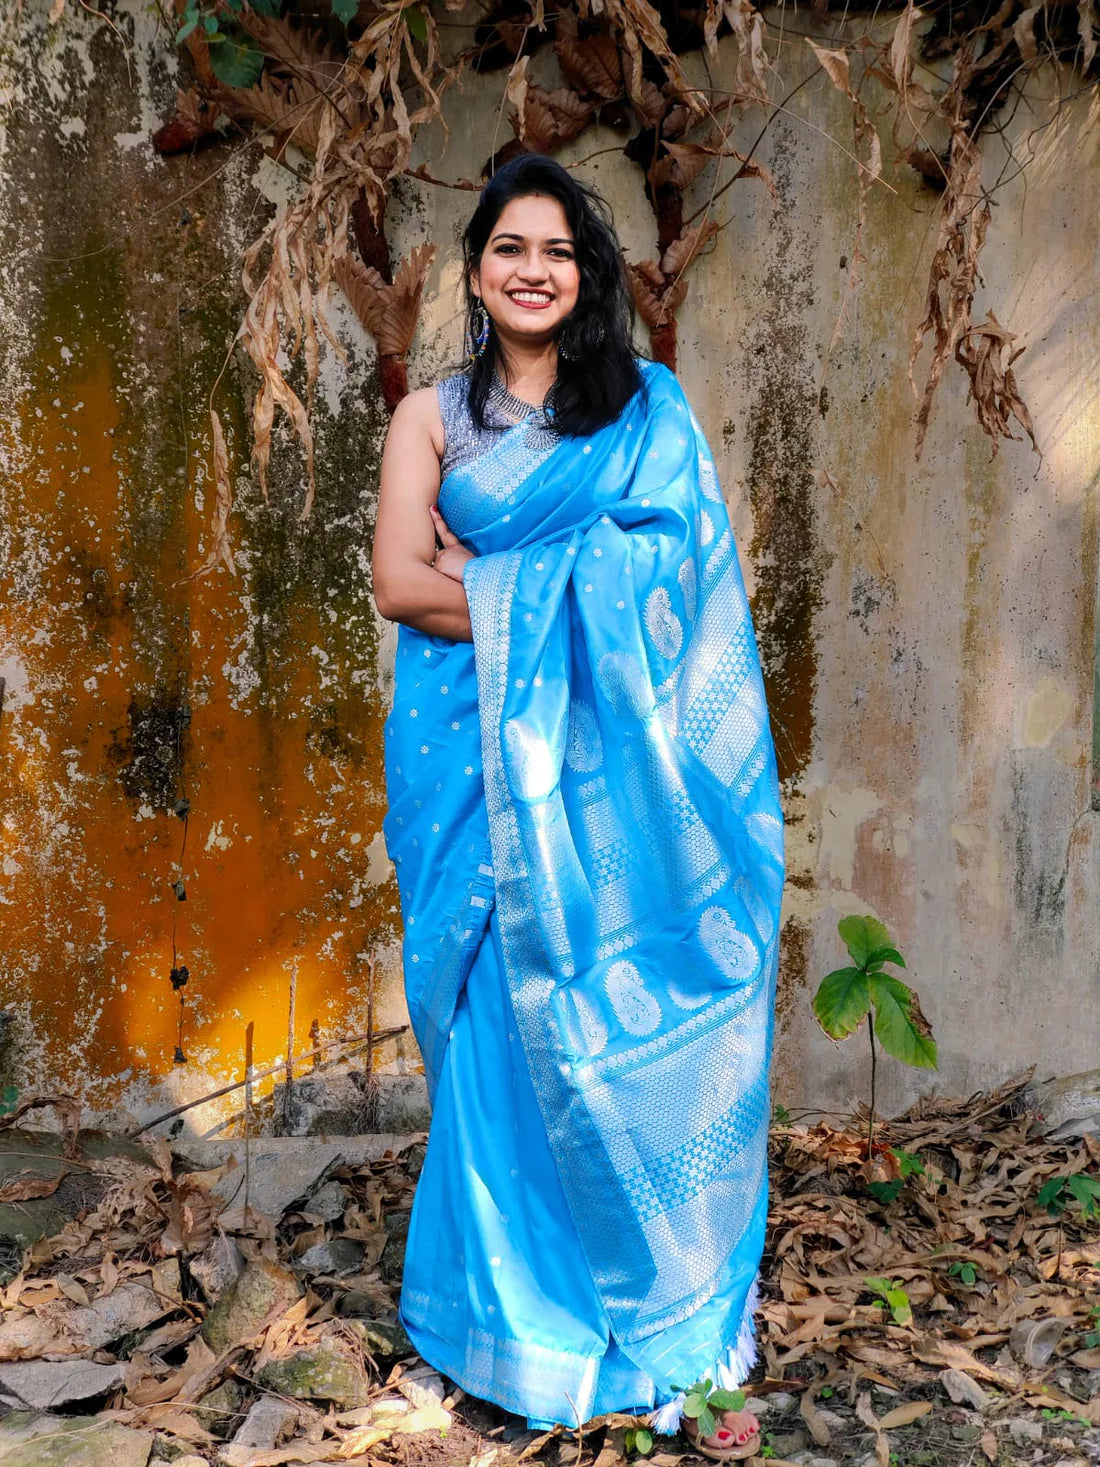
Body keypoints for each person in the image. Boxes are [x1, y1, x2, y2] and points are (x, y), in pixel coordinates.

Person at [372, 154, 784, 1461]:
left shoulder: (647, 412)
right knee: (500, 1047)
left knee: (633, 1030)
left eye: (558, 249)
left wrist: (487, 572)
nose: (534, 268)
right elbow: (396, 584)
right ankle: (515, 1342)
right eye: (510, 247)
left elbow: (681, 589)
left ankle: (669, 1335)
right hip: (479, 784)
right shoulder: (431, 421)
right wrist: (543, 583)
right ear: (477, 271)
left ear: (585, 273)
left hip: (629, 807)